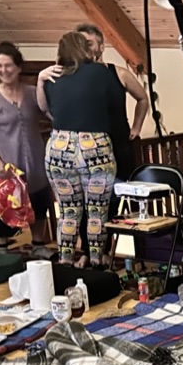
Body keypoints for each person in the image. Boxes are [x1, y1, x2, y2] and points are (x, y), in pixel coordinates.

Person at [37, 32, 119, 269]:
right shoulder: (100, 72)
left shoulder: (52, 76)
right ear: (85, 48)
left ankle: (64, 263)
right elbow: (115, 103)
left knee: (67, 212)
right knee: (97, 212)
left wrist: (40, 81)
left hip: (59, 147)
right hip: (95, 147)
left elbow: (45, 109)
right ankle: (96, 263)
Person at [0, 42, 55, 257]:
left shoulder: (32, 92)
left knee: (38, 200)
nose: (3, 70)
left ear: (19, 67)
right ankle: (2, 247)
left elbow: (49, 113)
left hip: (34, 156)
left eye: (8, 65)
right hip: (6, 160)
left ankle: (38, 244)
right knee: (4, 203)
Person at [73, 23, 149, 184]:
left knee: (123, 193)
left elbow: (143, 99)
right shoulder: (73, 77)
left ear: (101, 47)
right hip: (86, 151)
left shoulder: (120, 74)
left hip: (119, 147)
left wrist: (136, 127)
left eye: (89, 43)